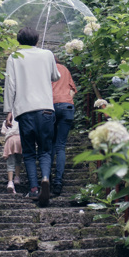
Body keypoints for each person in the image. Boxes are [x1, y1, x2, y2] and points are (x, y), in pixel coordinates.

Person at [3, 27, 60, 206]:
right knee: (45, 150)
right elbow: (55, 76)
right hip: (46, 110)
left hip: (24, 110)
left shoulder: (14, 57)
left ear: (19, 41)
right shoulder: (47, 54)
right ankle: (45, 178)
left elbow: (10, 85)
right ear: (36, 40)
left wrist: (9, 110)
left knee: (28, 152)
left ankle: (34, 188)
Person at [50, 62, 77, 197]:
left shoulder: (45, 69)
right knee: (60, 146)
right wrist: (65, 101)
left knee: (49, 144)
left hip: (50, 107)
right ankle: (58, 182)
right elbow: (72, 89)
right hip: (67, 106)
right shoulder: (65, 69)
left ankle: (46, 178)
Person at [1, 112, 22, 194]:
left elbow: (3, 132)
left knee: (10, 163)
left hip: (10, 140)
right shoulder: (22, 119)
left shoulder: (6, 121)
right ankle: (17, 177)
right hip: (20, 139)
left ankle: (10, 182)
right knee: (18, 160)